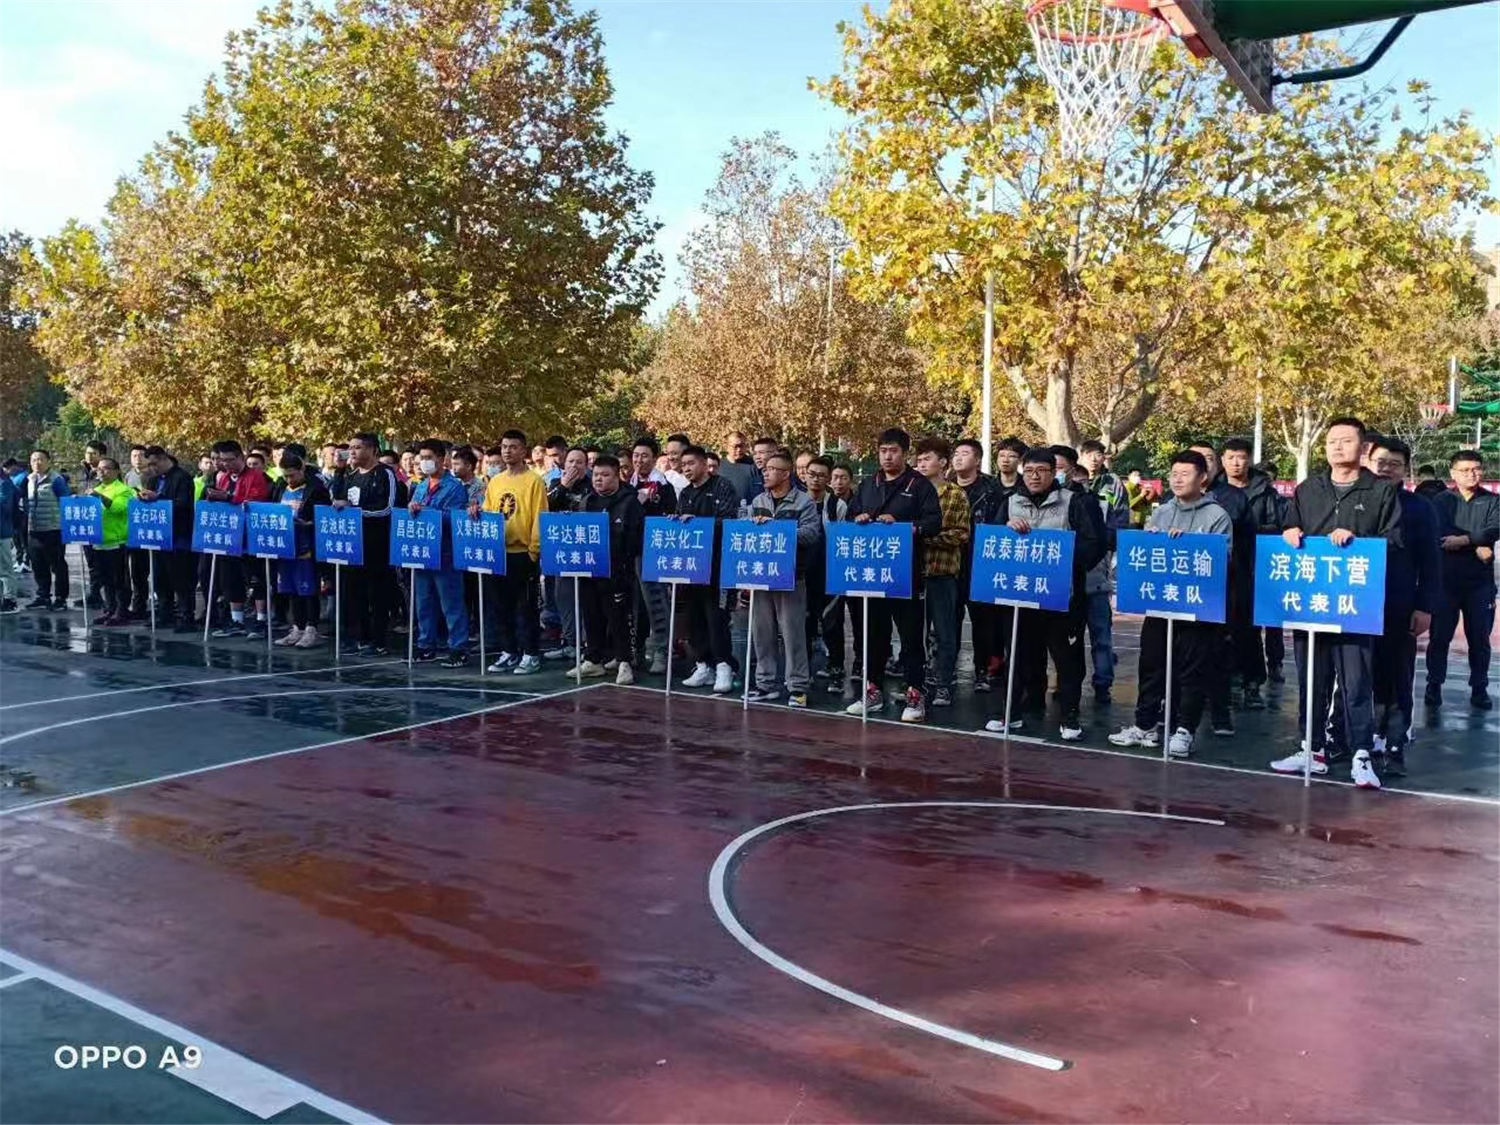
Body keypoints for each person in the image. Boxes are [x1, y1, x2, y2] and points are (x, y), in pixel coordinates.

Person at [1270, 416, 1401, 789]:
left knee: (1356, 682)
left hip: (1354, 603)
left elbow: (1394, 540)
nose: (1337, 447)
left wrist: (1356, 538)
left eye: (1346, 440)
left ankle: (1361, 753)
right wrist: (1289, 532)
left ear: (1364, 448)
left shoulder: (1380, 491)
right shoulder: (1308, 489)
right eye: (1331, 441)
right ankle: (1311, 748)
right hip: (1311, 601)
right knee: (1311, 679)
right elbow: (1290, 527)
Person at [1108, 451, 1232, 757]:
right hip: (1160, 604)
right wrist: (1151, 539)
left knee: (1191, 671)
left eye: (1185, 474)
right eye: (1174, 473)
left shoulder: (1217, 515)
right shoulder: (1162, 511)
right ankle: (1145, 725)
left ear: (1203, 478)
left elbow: (1223, 560)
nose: (1177, 479)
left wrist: (1188, 543)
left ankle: (1184, 730)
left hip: (1196, 609)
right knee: (1151, 665)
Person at [980, 447, 1105, 740]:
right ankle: (1012, 711)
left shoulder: (1074, 502)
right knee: (1018, 654)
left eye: (1042, 471)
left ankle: (1069, 717)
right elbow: (992, 542)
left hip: (1062, 597)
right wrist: (1006, 528)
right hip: (1020, 594)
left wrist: (1061, 556)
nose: (1034, 477)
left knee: (1066, 659)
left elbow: (1095, 544)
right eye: (1029, 471)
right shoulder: (1010, 502)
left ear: (1054, 473)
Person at [843, 428, 942, 720]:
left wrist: (907, 526)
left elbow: (933, 522)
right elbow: (850, 517)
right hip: (872, 574)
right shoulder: (868, 484)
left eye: (894, 451)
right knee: (873, 635)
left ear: (905, 454)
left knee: (911, 638)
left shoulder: (919, 485)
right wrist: (859, 518)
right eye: (883, 451)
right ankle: (872, 690)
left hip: (905, 575)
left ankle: (915, 694)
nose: (887, 456)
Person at [1358, 436, 1440, 776]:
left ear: (1405, 469)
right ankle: (1357, 740)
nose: (1386, 469)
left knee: (1397, 675)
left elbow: (1431, 562)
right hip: (1355, 602)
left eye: (1395, 464)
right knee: (1357, 675)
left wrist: (1425, 607)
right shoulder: (1355, 500)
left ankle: (1394, 742)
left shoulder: (1420, 508)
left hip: (1399, 603)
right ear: (1368, 462)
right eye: (1381, 462)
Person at [744, 450, 821, 706]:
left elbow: (812, 534)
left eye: (772, 469)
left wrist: (778, 530)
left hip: (791, 576)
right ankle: (765, 683)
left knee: (793, 633)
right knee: (762, 633)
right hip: (761, 575)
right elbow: (744, 533)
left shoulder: (804, 502)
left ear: (786, 474)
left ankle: (797, 687)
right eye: (764, 469)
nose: (765, 473)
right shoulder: (758, 500)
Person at [1426, 450, 1498, 712]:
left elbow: (1494, 529)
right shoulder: (1440, 501)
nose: (1471, 474)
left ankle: (1479, 688)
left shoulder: (1492, 501)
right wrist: (1477, 544)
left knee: (1479, 640)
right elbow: (1440, 534)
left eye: (1476, 469)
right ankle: (1434, 685)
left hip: (1480, 584)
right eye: (1465, 470)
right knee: (1439, 638)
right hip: (1445, 582)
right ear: (1453, 473)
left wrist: (1465, 540)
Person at [1217, 438, 1283, 709]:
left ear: (1249, 460)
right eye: (1231, 457)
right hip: (1220, 569)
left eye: (1241, 457)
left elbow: (1276, 526)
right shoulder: (1214, 490)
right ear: (1223, 460)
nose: (1236, 463)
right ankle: (1226, 681)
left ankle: (1253, 683)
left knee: (1250, 629)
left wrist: (1247, 530)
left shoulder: (1265, 491)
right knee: (1221, 629)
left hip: (1253, 567)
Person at [1189, 441, 1249, 736]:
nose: (1203, 463)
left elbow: (1246, 546)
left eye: (1209, 459)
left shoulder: (1233, 498)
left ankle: (1220, 715)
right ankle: (1176, 711)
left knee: (1217, 653)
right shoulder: (1171, 500)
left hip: (1222, 588)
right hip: (1182, 589)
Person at [569, 455, 644, 684]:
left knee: (619, 619)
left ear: (617, 476)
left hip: (618, 572)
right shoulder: (587, 502)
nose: (599, 479)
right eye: (596, 475)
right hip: (590, 569)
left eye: (605, 475)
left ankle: (624, 662)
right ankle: (594, 659)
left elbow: (636, 540)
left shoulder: (630, 502)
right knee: (591, 615)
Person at [477, 430, 547, 675]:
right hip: (498, 552)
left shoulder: (534, 481)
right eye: (504, 446)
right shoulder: (495, 481)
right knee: (500, 605)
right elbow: (489, 512)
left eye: (513, 447)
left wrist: (533, 552)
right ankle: (509, 650)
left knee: (525, 607)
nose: (507, 451)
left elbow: (540, 516)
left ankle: (530, 654)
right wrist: (476, 512)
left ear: (523, 450)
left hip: (523, 552)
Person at [910, 438, 971, 714]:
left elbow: (961, 534)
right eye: (919, 459)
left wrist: (924, 536)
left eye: (927, 459)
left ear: (943, 462)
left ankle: (944, 682)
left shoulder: (955, 494)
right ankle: (916, 684)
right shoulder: (910, 491)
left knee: (945, 632)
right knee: (914, 633)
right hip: (913, 573)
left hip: (942, 572)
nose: (921, 464)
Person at [675, 444, 740, 693]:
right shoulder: (685, 494)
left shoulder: (722, 486)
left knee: (716, 618)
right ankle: (703, 664)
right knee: (694, 617)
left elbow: (729, 520)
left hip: (717, 565)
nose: (686, 469)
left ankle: (724, 665)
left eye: (691, 463)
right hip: (692, 567)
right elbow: (681, 524)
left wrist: (699, 524)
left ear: (704, 464)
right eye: (683, 465)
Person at [330, 433, 401, 655]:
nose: (352, 451)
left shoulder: (385, 474)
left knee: (377, 594)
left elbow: (387, 508)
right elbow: (338, 498)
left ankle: (379, 641)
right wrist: (339, 470)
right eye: (350, 447)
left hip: (377, 545)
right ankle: (360, 637)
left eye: (358, 447)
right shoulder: (351, 475)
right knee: (354, 593)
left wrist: (356, 513)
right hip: (353, 545)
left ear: (372, 450)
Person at [406, 440, 471, 668]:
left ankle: (458, 647)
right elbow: (413, 511)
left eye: (429, 458)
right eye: (422, 458)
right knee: (423, 602)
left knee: (451, 603)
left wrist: (429, 513)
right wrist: (413, 510)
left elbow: (456, 517)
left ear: (442, 459)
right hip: (423, 552)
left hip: (445, 552)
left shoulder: (454, 487)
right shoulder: (421, 485)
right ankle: (426, 644)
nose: (424, 462)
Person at [1077, 440, 1131, 705]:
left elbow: (1121, 519)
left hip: (1099, 566)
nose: (1094, 459)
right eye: (1089, 454)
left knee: (1101, 631)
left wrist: (1101, 543)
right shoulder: (1070, 482)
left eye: (1098, 454)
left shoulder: (1113, 484)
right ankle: (1069, 683)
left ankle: (1102, 683)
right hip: (1069, 570)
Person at [951, 439, 1002, 694]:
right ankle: (946, 669)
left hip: (980, 565)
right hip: (950, 563)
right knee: (949, 621)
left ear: (978, 460)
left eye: (965, 453)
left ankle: (982, 669)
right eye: (956, 453)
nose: (958, 457)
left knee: (983, 622)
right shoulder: (945, 487)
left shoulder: (992, 490)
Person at [270, 455, 331, 648]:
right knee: (291, 589)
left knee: (308, 590)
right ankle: (297, 627)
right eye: (286, 476)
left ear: (302, 469)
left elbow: (325, 518)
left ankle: (312, 629)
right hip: (285, 545)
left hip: (307, 546)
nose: (289, 479)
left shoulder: (316, 489)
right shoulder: (280, 487)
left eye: (293, 475)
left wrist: (308, 524)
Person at [629, 436, 676, 674]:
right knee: (634, 605)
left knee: (656, 603)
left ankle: (662, 651)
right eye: (636, 455)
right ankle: (634, 652)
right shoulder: (628, 485)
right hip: (631, 552)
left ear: (655, 458)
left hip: (653, 553)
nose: (639, 460)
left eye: (645, 455)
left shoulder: (664, 487)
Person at [140, 446, 198, 632]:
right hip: (159, 536)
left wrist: (158, 497)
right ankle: (165, 613)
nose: (152, 468)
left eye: (154, 464)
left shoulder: (182, 477)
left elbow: (183, 504)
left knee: (181, 579)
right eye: (149, 465)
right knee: (160, 577)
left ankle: (186, 616)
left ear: (164, 458)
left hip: (179, 535)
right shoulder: (153, 479)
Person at [544, 446, 593, 660]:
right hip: (562, 551)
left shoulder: (592, 485)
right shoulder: (556, 484)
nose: (574, 466)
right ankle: (570, 641)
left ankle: (588, 644)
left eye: (579, 462)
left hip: (587, 551)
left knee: (586, 599)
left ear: (586, 466)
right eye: (571, 461)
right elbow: (546, 506)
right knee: (562, 597)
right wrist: (564, 486)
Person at [81, 457, 133, 624]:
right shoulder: (96, 489)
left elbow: (118, 509)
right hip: (98, 540)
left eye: (106, 468)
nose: (101, 472)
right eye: (99, 469)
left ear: (117, 471)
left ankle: (121, 611)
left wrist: (100, 497)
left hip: (116, 541)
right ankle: (110, 609)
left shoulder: (124, 490)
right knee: (105, 579)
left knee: (119, 579)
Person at [24, 450, 71, 611]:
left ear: (48, 461)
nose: (37, 463)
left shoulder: (56, 480)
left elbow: (65, 502)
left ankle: (61, 598)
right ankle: (43, 596)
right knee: (38, 564)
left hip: (53, 529)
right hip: (34, 530)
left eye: (40, 459)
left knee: (58, 565)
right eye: (33, 460)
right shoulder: (29, 479)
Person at [717, 431, 758, 503]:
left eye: (742, 445)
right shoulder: (718, 466)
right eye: (735, 446)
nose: (739, 450)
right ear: (726, 446)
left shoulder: (753, 465)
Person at [0, 467, 17, 613]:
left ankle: (10, 600)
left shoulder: (4, 483)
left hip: (2, 533)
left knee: (5, 569)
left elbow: (5, 506)